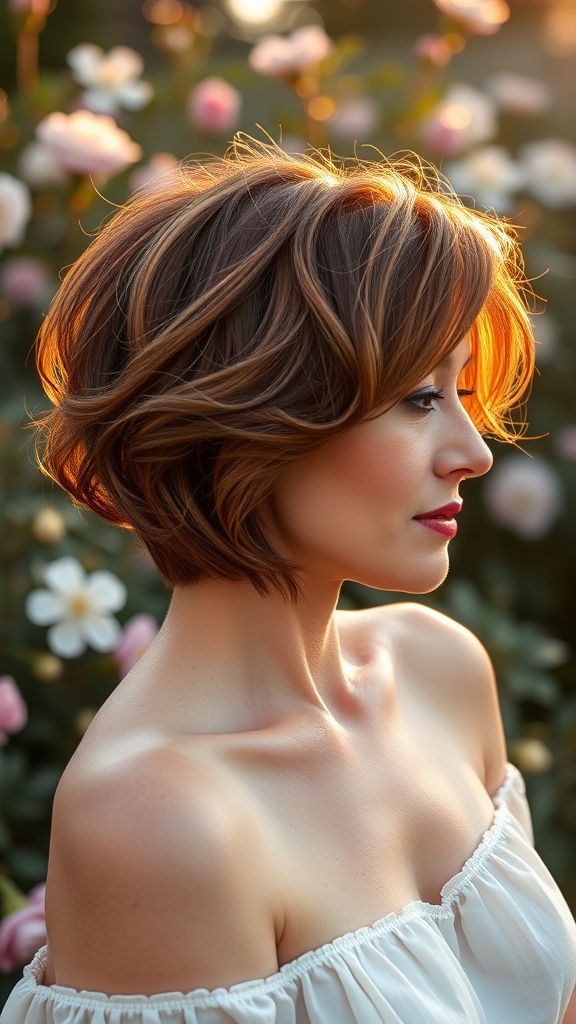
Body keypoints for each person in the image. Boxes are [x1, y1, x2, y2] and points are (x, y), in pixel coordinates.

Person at [3, 138, 576, 1024]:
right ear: (254, 413)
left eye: (463, 393)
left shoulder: (439, 671)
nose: (473, 453)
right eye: (420, 400)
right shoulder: (158, 820)